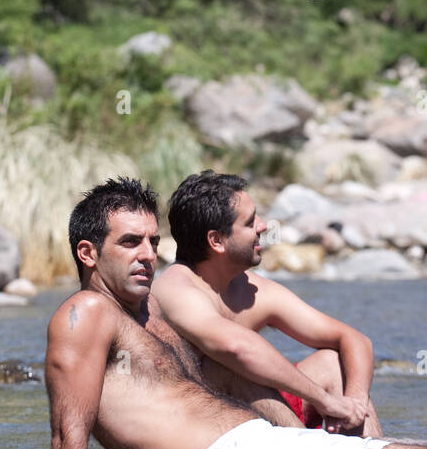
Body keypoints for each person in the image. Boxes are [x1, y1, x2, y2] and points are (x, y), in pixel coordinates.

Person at [45, 176, 427, 449]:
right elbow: (69, 437)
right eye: (129, 242)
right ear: (88, 253)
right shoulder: (85, 313)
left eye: (152, 242)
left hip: (253, 445)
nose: (146, 254)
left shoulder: (146, 311)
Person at [154, 171, 383, 434]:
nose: (263, 226)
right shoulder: (175, 289)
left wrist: (353, 403)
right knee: (228, 366)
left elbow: (353, 339)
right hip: (193, 426)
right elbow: (238, 348)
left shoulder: (252, 288)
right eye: (251, 222)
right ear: (216, 241)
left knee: (333, 364)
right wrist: (325, 400)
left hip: (259, 415)